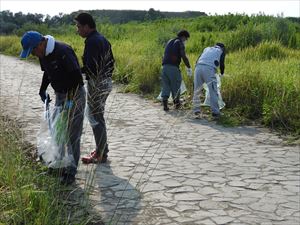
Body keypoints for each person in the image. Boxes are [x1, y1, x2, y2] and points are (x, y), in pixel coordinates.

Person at [20, 31, 86, 185]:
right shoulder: (43, 55)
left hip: (74, 95)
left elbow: (77, 77)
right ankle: (59, 164)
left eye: (34, 51)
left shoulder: (63, 51)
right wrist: (42, 89)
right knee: (58, 131)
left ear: (41, 43)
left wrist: (70, 100)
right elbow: (47, 73)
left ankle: (71, 170)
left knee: (72, 135)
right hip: (60, 95)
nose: (34, 55)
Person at [74, 13, 114, 164]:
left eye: (78, 27)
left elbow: (90, 67)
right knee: (98, 116)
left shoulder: (91, 41)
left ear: (86, 26)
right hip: (106, 81)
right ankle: (101, 149)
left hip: (97, 83)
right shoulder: (102, 39)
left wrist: (77, 71)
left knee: (95, 117)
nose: (77, 30)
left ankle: (101, 153)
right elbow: (112, 62)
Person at [192, 43, 226, 119]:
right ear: (223, 48)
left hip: (198, 68)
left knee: (197, 90)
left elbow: (198, 59)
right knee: (213, 91)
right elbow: (222, 63)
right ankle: (215, 113)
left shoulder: (207, 48)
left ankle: (196, 111)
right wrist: (222, 73)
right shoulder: (220, 50)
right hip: (209, 69)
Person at [161, 30, 192, 111]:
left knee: (166, 86)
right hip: (173, 67)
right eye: (186, 39)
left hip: (164, 67)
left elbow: (164, 55)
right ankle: (177, 104)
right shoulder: (179, 42)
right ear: (184, 36)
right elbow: (184, 56)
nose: (186, 41)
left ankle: (165, 105)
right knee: (176, 85)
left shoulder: (169, 41)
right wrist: (189, 67)